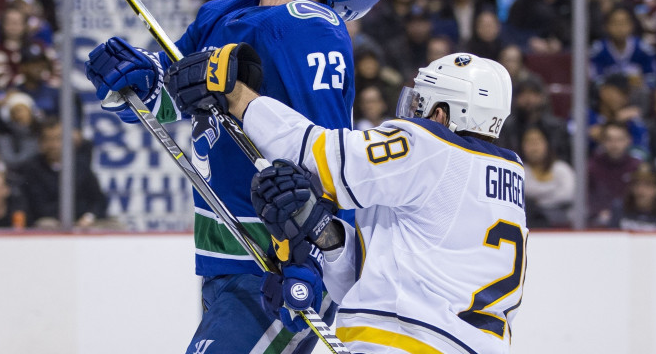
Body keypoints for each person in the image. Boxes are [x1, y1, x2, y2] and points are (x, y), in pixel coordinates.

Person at [83, 0, 387, 354]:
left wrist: (315, 254)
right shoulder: (223, 13)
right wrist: (133, 79)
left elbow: (328, 152)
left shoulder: (311, 25)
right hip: (222, 253)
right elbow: (171, 94)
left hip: (279, 260)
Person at [167, 50, 527, 353]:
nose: (413, 113)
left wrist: (238, 97)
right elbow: (370, 279)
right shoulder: (507, 179)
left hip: (406, 343)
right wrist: (323, 233)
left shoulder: (432, 148)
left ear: (443, 114)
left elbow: (318, 154)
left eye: (422, 103)